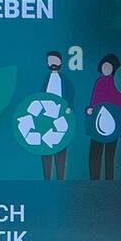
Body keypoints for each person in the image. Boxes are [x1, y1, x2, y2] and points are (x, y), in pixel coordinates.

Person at [86, 54, 121, 180]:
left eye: (108, 66)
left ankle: (110, 183)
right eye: (104, 66)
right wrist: (90, 110)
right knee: (95, 155)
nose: (105, 68)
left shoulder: (118, 83)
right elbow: (94, 102)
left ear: (114, 68)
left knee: (109, 157)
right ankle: (94, 182)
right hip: (97, 124)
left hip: (113, 125)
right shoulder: (99, 82)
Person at [41, 50, 74, 180]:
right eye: (50, 61)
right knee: (45, 148)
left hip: (61, 118)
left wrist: (68, 108)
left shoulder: (64, 80)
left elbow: (70, 95)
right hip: (45, 120)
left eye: (55, 60)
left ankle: (61, 179)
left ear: (60, 62)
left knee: (61, 148)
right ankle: (47, 179)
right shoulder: (46, 79)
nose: (53, 63)